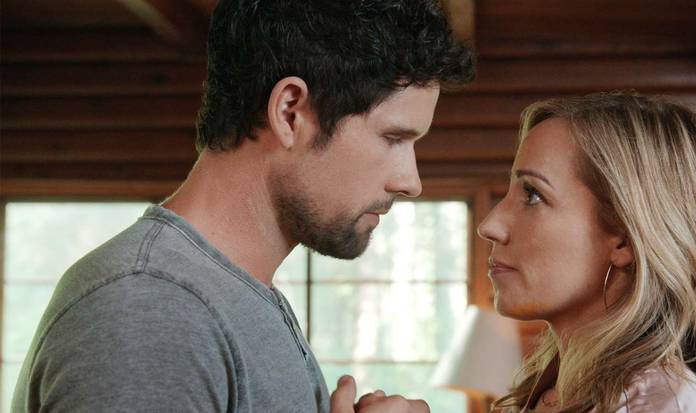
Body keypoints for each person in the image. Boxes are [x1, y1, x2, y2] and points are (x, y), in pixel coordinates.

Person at [12, 0, 474, 411]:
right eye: (393, 138)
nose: (411, 182)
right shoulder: (152, 310)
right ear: (290, 112)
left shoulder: (231, 295)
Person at [478, 93, 696, 412]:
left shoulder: (666, 405)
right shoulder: (552, 391)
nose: (490, 224)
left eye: (533, 195)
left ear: (624, 240)